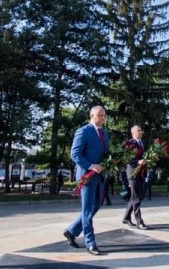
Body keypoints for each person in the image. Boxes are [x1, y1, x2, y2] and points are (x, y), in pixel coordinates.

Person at [63, 105, 109, 256]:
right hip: (86, 177)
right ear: (92, 116)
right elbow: (75, 154)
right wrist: (91, 165)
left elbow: (105, 154)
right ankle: (90, 243)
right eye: (100, 115)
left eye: (104, 115)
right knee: (87, 210)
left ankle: (71, 231)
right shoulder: (83, 131)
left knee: (96, 206)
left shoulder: (104, 133)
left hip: (100, 176)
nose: (103, 118)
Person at [122, 125, 150, 230]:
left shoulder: (143, 143)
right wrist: (137, 161)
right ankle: (139, 221)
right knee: (136, 197)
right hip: (132, 174)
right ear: (133, 132)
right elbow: (126, 159)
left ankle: (126, 218)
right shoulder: (129, 143)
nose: (141, 132)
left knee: (135, 196)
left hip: (141, 173)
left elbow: (145, 156)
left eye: (141, 130)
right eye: (138, 130)